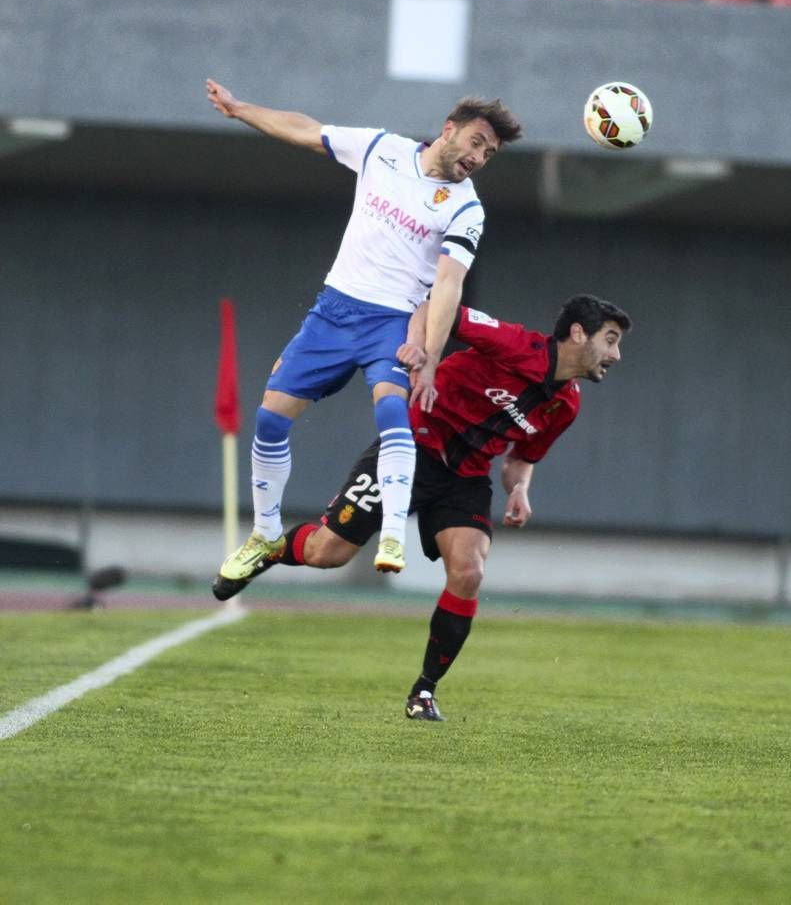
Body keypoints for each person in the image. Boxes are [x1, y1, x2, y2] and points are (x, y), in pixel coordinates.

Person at [213, 293, 632, 721]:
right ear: (578, 333)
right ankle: (269, 551)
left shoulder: (567, 405)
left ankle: (424, 692)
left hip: (465, 476)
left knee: (469, 571)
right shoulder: (513, 343)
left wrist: (520, 489)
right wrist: (421, 356)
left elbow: (523, 457)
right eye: (611, 340)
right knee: (327, 553)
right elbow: (435, 307)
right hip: (412, 449)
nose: (616, 354)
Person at [206, 79, 522, 580]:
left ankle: (392, 534)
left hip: (393, 320)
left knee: (393, 410)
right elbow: (307, 131)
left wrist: (431, 358)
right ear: (449, 130)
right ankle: (265, 533)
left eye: (491, 152)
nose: (481, 157)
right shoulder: (381, 149)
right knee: (270, 418)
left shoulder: (466, 208)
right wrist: (242, 109)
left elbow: (448, 286)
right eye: (477, 142)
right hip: (333, 310)